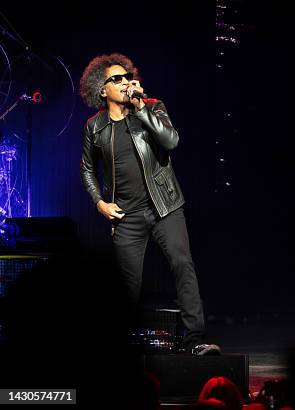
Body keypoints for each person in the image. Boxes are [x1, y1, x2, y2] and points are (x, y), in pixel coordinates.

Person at [79, 53, 219, 356]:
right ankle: (117, 349)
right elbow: (87, 168)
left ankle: (194, 340)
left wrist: (141, 108)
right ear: (102, 90)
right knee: (127, 286)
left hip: (165, 206)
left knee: (183, 265)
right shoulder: (95, 126)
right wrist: (99, 202)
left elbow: (171, 141)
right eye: (116, 78)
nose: (125, 82)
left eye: (127, 76)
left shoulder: (152, 107)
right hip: (125, 216)